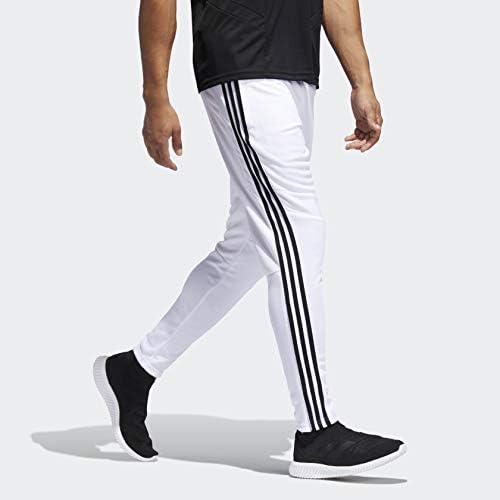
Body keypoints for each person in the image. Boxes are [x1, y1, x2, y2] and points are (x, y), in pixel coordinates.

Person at [93, 0, 406, 478]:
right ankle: (317, 430)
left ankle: (133, 371)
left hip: (298, 69)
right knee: (297, 233)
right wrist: (155, 95)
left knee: (248, 248)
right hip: (240, 59)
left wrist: (361, 80)